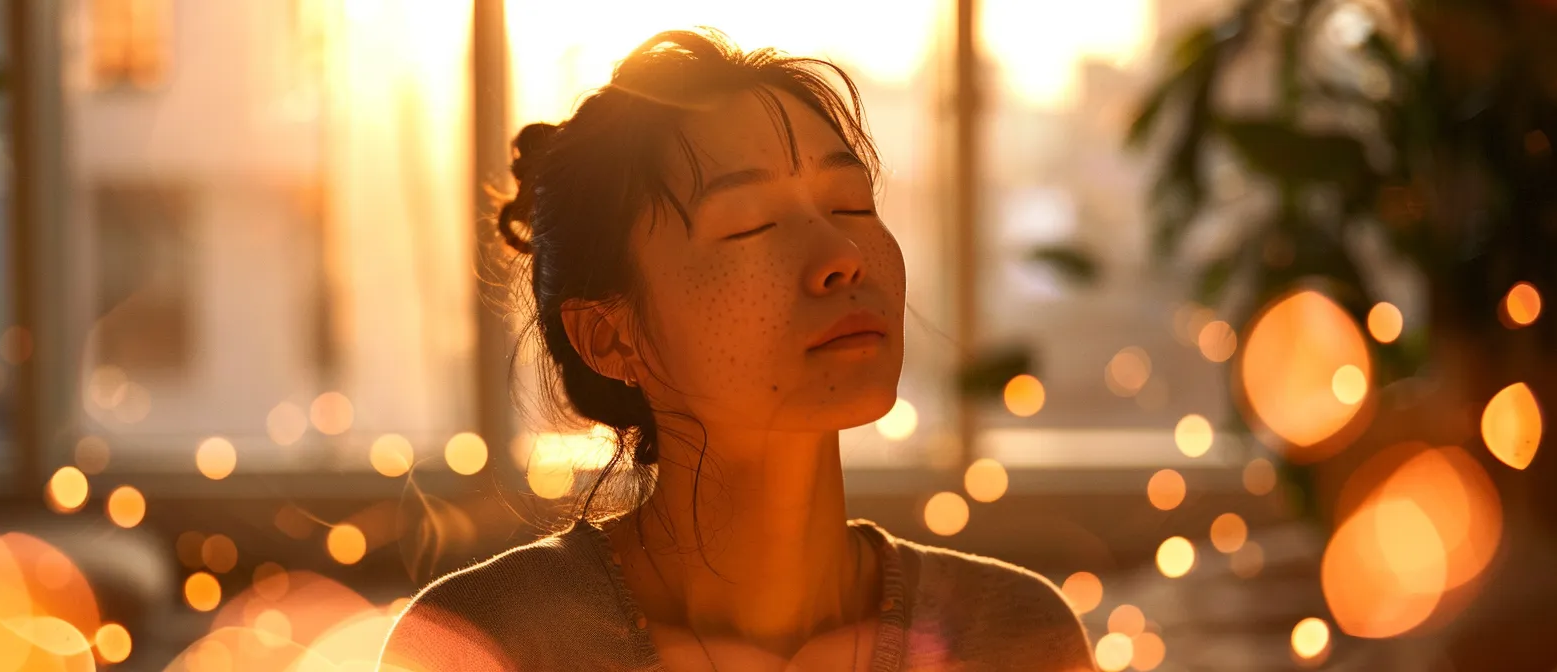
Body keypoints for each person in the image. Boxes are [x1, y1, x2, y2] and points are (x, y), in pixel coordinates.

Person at [379, 28, 1094, 672]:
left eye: (852, 206)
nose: (843, 255)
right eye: (753, 224)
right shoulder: (485, 647)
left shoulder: (1015, 640)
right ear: (610, 335)